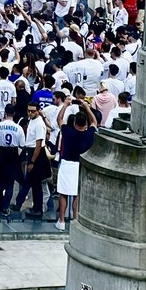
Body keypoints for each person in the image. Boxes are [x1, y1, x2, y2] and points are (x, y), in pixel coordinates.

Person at [55, 97, 97, 230]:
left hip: (67, 164)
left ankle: (61, 220)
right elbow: (95, 122)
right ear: (85, 124)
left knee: (63, 193)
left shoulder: (68, 132)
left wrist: (66, 104)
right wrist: (86, 107)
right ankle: (75, 220)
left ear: (74, 123)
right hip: (80, 165)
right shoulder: (89, 134)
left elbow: (59, 119)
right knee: (76, 194)